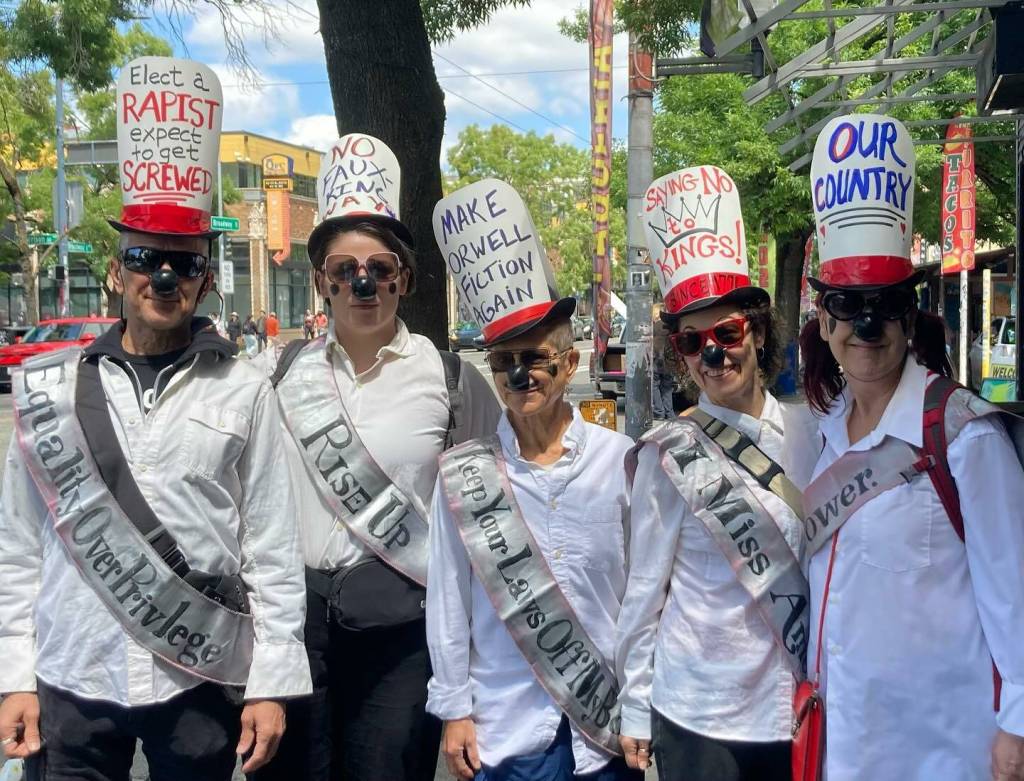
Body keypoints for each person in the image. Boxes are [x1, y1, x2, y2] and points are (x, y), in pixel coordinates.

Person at [0, 56, 311, 781]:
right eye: (145, 257)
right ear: (117, 270)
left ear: (204, 280)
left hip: (196, 674)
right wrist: (14, 674)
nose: (163, 277)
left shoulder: (245, 389)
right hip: (72, 673)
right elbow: (18, 547)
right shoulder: (49, 388)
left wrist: (270, 681)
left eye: (184, 263)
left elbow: (271, 545)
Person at [251, 134, 501, 781]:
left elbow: (493, 506)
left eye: (380, 268)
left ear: (404, 279)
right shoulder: (277, 374)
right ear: (320, 282)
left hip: (401, 632)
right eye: (343, 269)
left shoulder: (452, 381)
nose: (362, 282)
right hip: (297, 624)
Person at [798, 114, 1024, 781]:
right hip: (844, 743)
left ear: (909, 313)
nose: (866, 325)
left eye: (885, 303)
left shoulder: (964, 436)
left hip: (939, 750)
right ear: (823, 318)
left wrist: (1018, 723)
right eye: (847, 304)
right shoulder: (822, 433)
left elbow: (1013, 588)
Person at [428, 179, 640, 781]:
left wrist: (642, 704)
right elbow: (448, 598)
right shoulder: (462, 475)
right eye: (504, 363)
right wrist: (454, 708)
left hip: (606, 727)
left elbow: (645, 595)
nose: (520, 376)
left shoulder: (622, 461)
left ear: (569, 364)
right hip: (507, 731)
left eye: (536, 359)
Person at [616, 165, 818, 781]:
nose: (711, 353)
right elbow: (645, 591)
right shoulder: (667, 454)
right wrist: (634, 705)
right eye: (691, 341)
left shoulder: (811, 437)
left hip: (790, 706)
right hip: (696, 712)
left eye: (726, 333)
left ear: (757, 332)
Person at [651, 302, 678, 419]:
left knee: (654, 386)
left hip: (656, 360)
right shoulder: (671, 326)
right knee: (667, 387)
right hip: (670, 361)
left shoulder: (654, 327)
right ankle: (669, 413)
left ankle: (659, 411)